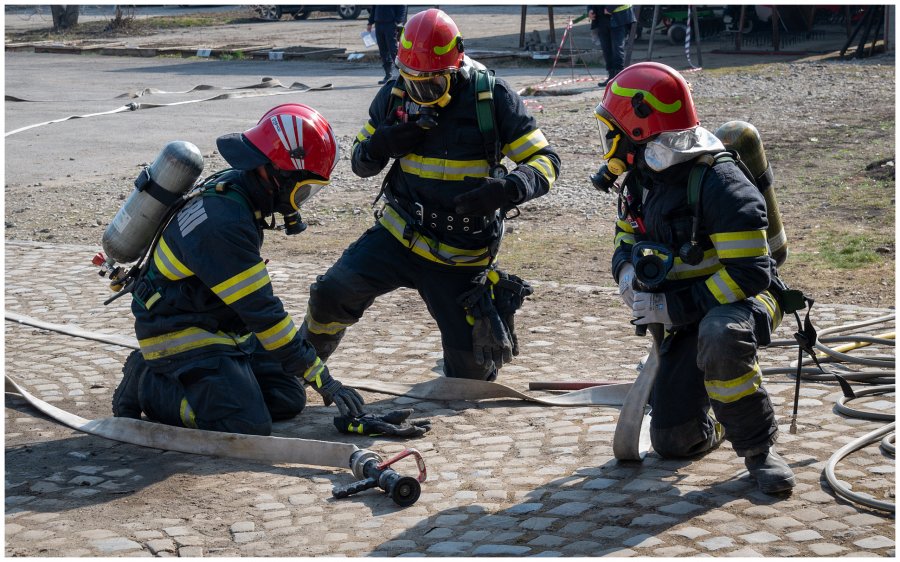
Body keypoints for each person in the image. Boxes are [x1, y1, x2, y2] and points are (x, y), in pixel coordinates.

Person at [300, 8, 560, 382]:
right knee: (331, 293)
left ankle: (488, 305)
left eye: (432, 85)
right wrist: (380, 144)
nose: (420, 93)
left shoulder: (492, 96)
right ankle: (298, 365)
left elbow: (546, 159)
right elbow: (359, 161)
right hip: (398, 234)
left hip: (459, 253)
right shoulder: (394, 93)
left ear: (455, 67)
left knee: (469, 381)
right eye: (413, 82)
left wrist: (508, 189)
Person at [596, 62, 795, 494]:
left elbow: (751, 273)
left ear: (640, 129)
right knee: (673, 441)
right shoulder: (642, 179)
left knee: (721, 335)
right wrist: (626, 271)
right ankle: (711, 420)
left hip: (746, 299)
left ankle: (759, 450)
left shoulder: (721, 185)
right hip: (687, 312)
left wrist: (674, 307)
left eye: (612, 130)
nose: (608, 143)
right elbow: (626, 235)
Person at [110, 104, 367, 436]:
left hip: (219, 323)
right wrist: (326, 381)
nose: (301, 201)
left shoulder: (240, 191)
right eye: (303, 189)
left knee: (286, 397)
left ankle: (220, 382)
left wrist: (308, 374)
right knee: (244, 424)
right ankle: (144, 382)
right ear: (275, 173)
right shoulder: (223, 224)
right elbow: (265, 316)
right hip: (179, 331)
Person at [587, 5, 636, 87]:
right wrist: (590, 9)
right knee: (606, 49)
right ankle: (611, 76)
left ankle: (619, 77)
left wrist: (610, 8)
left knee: (617, 48)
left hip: (618, 17)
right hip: (601, 18)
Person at [367, 5, 407, 85]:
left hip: (391, 24)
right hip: (378, 24)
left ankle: (403, 76)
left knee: (393, 50)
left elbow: (402, 7)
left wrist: (398, 22)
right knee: (383, 51)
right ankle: (388, 75)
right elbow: (374, 8)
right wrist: (370, 22)